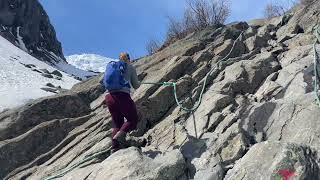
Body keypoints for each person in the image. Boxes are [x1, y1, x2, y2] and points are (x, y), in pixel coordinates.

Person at [103, 52, 141, 152]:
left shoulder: (112, 67)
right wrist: (139, 82)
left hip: (109, 97)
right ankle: (120, 136)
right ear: (128, 59)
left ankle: (115, 147)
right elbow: (136, 85)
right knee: (132, 119)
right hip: (122, 96)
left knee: (117, 124)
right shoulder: (130, 67)